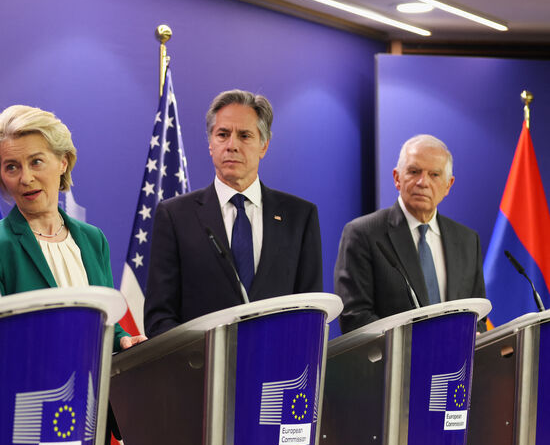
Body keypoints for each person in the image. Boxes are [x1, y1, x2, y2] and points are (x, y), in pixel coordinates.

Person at [0, 104, 145, 349]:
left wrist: (122, 339)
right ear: (0, 176)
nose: (25, 178)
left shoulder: (93, 239)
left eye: (36, 162)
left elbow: (107, 321)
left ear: (63, 162)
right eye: (12, 167)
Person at [144, 89, 323, 337]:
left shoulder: (299, 217)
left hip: (276, 371)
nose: (232, 145)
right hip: (200, 370)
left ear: (264, 146)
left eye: (245, 135)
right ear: (210, 144)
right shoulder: (175, 216)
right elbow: (159, 317)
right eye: (223, 134)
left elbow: (310, 314)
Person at [334, 134, 486, 333]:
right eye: (414, 172)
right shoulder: (364, 234)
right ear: (397, 178)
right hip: (392, 361)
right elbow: (355, 317)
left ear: (448, 185)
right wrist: (418, 348)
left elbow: (478, 317)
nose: (423, 182)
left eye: (434, 175)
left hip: (456, 362)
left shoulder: (467, 240)